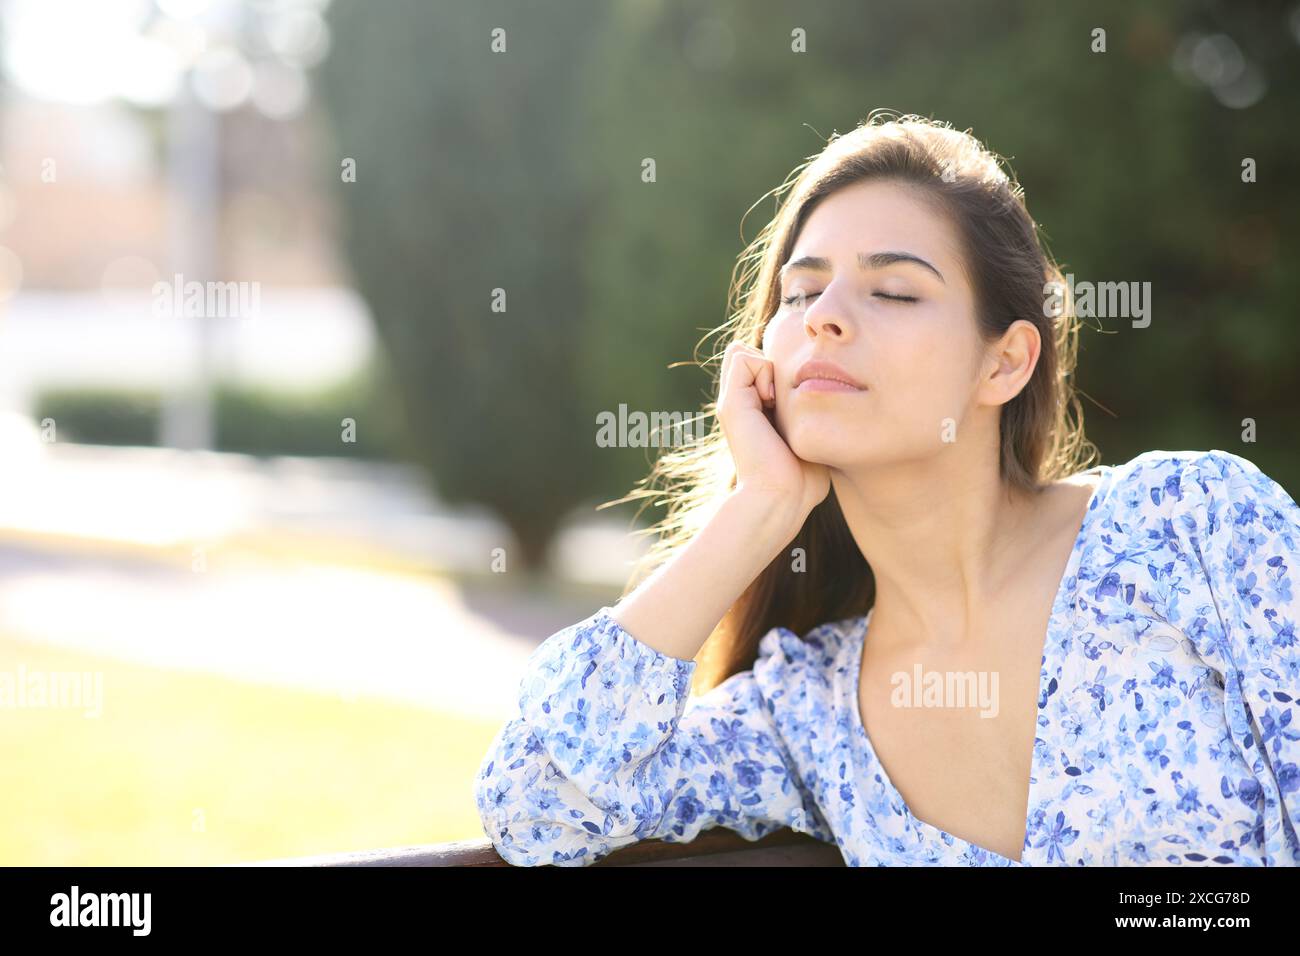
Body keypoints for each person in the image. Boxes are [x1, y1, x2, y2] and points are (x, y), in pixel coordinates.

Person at [474, 112, 1300, 866]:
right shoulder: (809, 713)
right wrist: (756, 511)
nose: (823, 317)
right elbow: (534, 804)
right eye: (799, 293)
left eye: (894, 290)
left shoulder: (1191, 527)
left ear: (1004, 361)